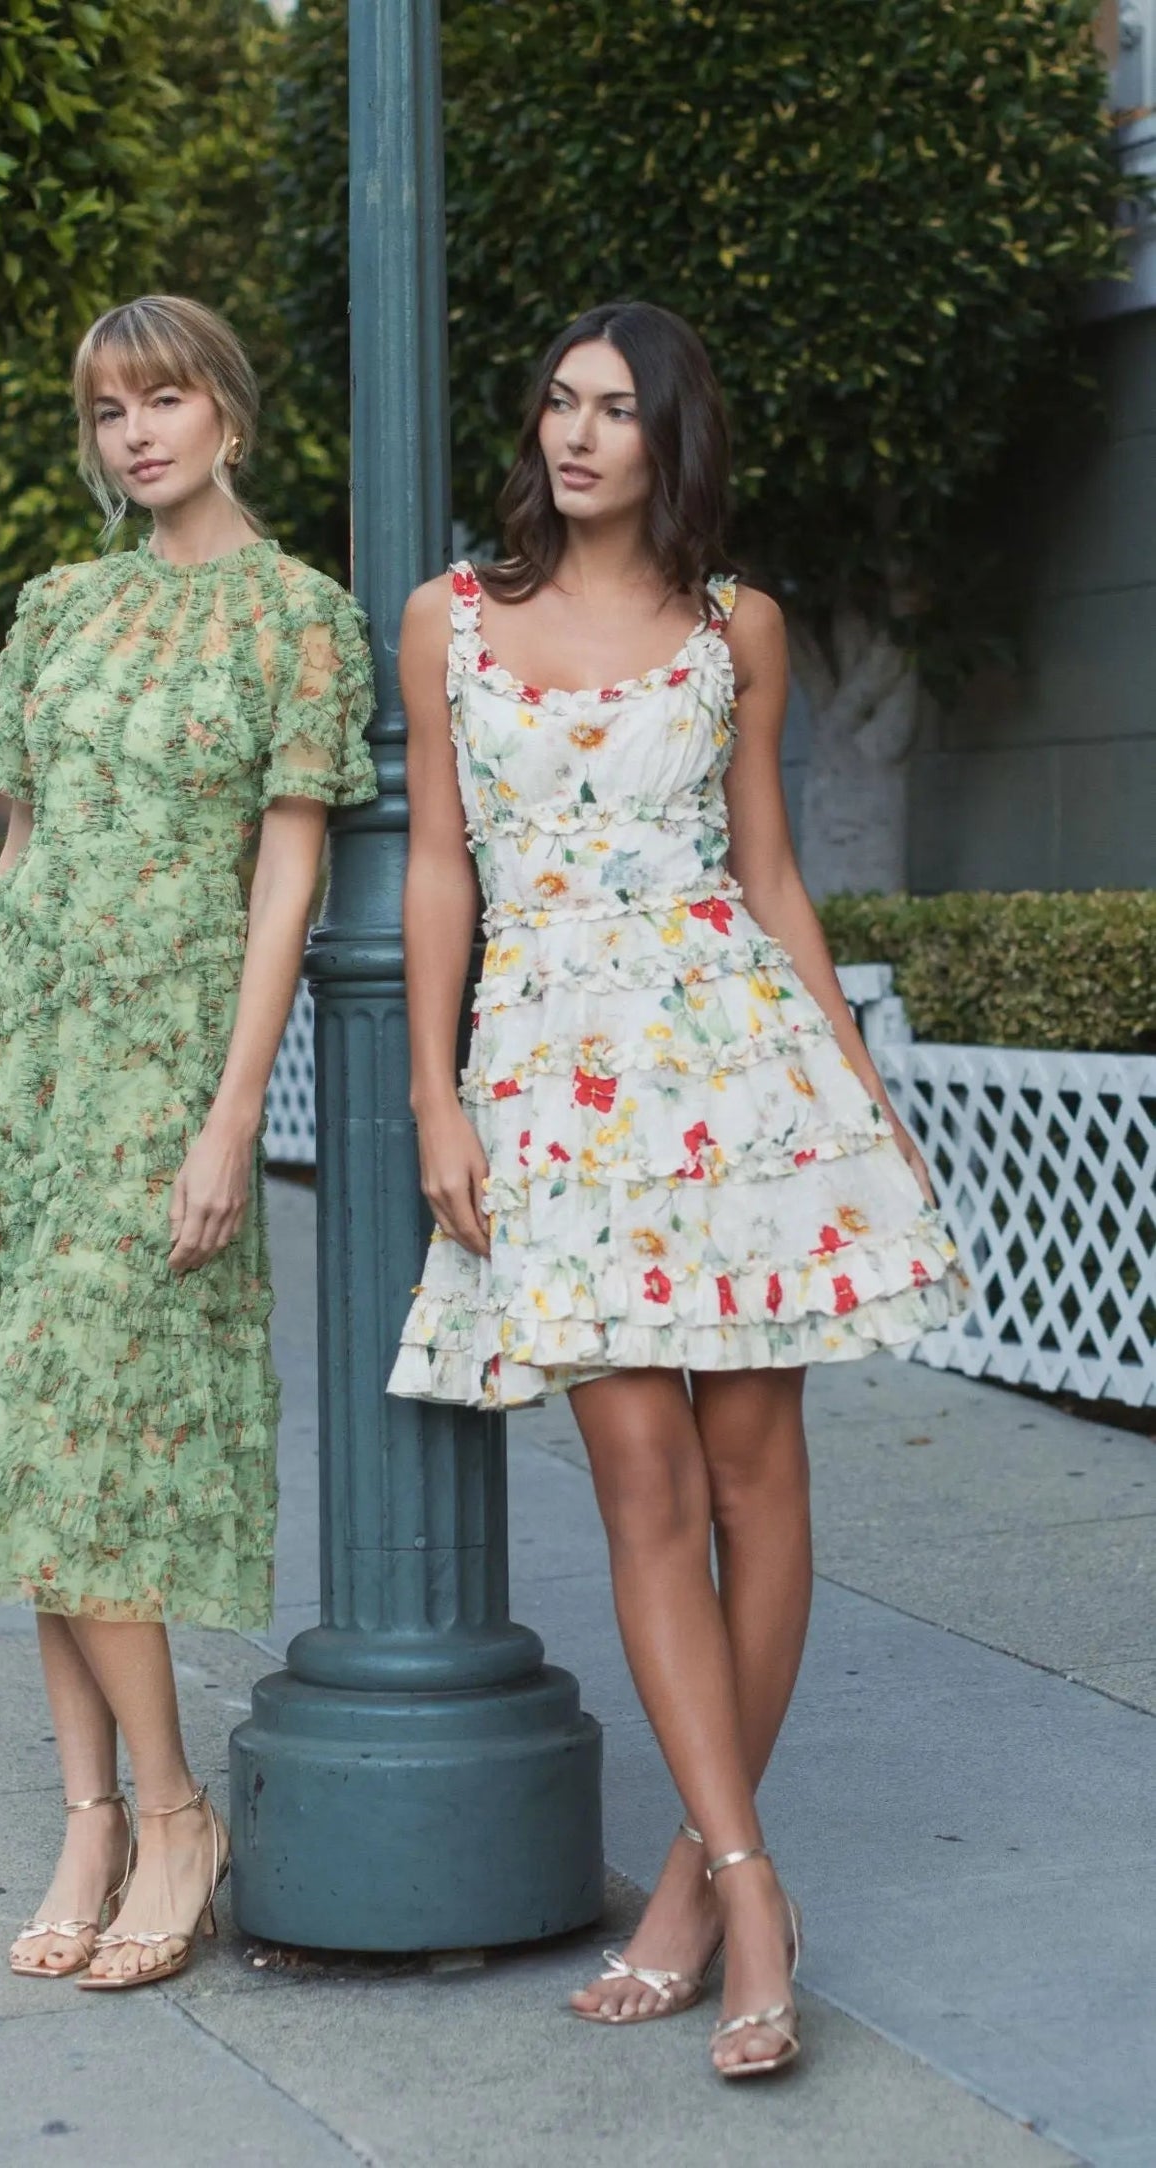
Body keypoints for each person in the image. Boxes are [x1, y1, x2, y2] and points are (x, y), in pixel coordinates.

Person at [388, 300, 965, 2078]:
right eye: (558, 404)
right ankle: (746, 1875)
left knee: (749, 1467)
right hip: (551, 1077)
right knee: (638, 1474)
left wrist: (854, 1094)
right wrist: (436, 1099)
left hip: (736, 1066)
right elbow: (433, 869)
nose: (576, 436)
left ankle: (704, 1887)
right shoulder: (448, 621)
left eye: (615, 411)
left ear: (668, 440)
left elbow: (770, 873)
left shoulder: (742, 629)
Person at [0, 294, 375, 1989]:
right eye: (109, 412)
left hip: (161, 1071)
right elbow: (15, 859)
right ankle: (92, 1815)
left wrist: (229, 1115)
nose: (135, 436)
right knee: (28, 1439)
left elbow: (290, 880)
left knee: (88, 1436)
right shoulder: (58, 607)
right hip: (26, 1063)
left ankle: (175, 1812)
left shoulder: (300, 621)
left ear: (229, 417)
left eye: (162, 401)